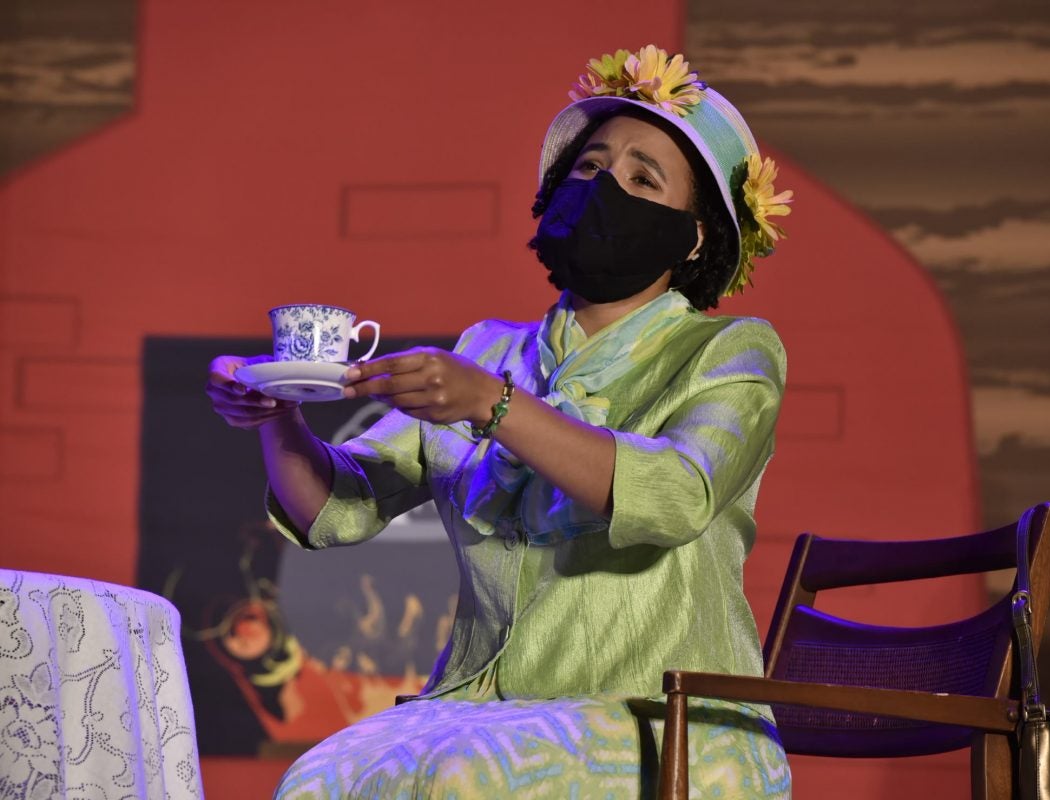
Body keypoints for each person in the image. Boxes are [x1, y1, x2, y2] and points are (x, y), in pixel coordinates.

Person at [207, 44, 794, 799]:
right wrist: (276, 413)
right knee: (317, 779)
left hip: (671, 717)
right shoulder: (490, 350)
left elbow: (677, 496)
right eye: (588, 168)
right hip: (485, 707)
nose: (604, 186)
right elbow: (333, 511)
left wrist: (495, 407)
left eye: (642, 178)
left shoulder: (731, 352)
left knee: (464, 779)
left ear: (694, 236)